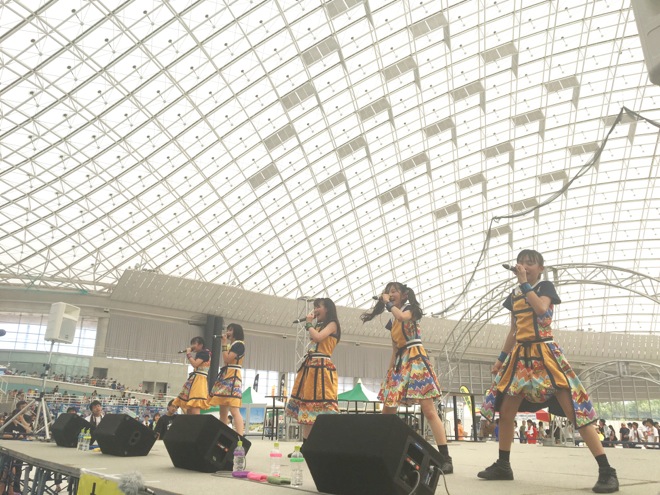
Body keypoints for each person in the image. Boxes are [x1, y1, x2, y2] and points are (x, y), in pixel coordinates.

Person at [478, 249, 618, 493]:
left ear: (540, 268)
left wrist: (524, 284)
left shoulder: (544, 287)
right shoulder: (514, 294)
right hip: (520, 358)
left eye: (530, 263)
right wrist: (501, 359)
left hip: (545, 355)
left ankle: (607, 471)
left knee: (573, 411)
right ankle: (503, 464)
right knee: (506, 411)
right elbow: (513, 330)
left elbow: (542, 309)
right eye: (521, 262)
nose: (524, 266)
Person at [361, 282, 453, 474]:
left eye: (394, 291)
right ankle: (380, 451)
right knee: (388, 409)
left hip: (416, 359)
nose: (390, 294)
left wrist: (387, 303)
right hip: (400, 362)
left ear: (404, 295)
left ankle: (445, 458)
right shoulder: (392, 322)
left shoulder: (411, 309)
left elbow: (402, 317)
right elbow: (395, 348)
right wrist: (389, 374)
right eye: (388, 292)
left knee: (428, 410)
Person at [286, 297, 341, 444]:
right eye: (314, 307)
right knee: (307, 407)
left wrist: (309, 323)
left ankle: (326, 444)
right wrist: (311, 325)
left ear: (327, 309)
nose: (315, 310)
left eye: (318, 307)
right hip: (311, 368)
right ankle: (306, 446)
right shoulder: (319, 325)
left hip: (322, 369)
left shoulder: (332, 324)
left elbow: (317, 337)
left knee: (323, 406)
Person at [207, 323, 246, 436]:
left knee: (234, 410)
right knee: (223, 410)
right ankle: (222, 436)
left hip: (233, 377)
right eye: (227, 330)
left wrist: (223, 344)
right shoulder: (232, 345)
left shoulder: (239, 344)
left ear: (236, 332)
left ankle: (240, 437)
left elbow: (227, 359)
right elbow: (226, 361)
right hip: (226, 376)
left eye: (230, 330)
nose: (227, 332)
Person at [172, 336, 211, 414]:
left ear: (201, 345)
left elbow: (195, 364)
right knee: (189, 407)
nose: (192, 346)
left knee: (195, 404)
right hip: (195, 379)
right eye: (192, 344)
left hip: (199, 380)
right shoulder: (201, 353)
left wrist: (188, 354)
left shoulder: (204, 353)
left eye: (194, 344)